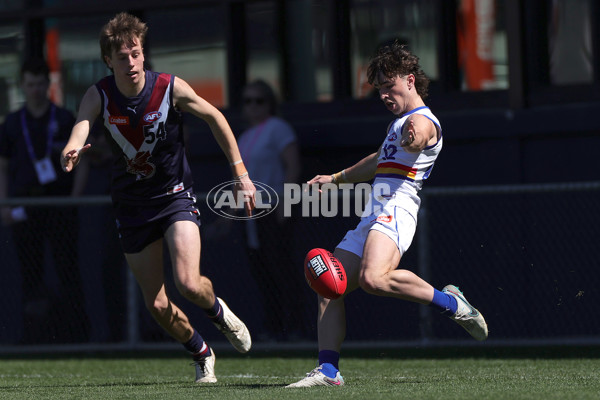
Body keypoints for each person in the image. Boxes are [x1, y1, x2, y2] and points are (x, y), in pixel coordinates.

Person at [60, 12, 256, 383]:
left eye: (135, 53)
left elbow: (216, 117)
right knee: (157, 303)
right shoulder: (99, 94)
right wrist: (71, 148)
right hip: (132, 207)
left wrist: (241, 174)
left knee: (188, 283)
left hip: (174, 197)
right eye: (122, 56)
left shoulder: (169, 87)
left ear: (143, 52)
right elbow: (81, 124)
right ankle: (201, 351)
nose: (131, 62)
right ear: (108, 60)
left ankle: (219, 313)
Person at [286, 42, 488, 388]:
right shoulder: (397, 125)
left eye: (388, 85)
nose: (382, 94)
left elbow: (421, 136)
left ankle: (451, 302)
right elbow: (379, 160)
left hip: (398, 208)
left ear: (410, 80)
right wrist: (335, 178)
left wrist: (414, 140)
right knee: (329, 286)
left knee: (374, 279)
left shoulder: (421, 121)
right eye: (378, 88)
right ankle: (328, 371)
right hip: (374, 211)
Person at [0, 58, 90, 344]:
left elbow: (83, 161)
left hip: (59, 206)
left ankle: (77, 336)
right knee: (30, 273)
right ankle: (34, 337)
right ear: (23, 86)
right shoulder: (13, 123)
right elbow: (2, 166)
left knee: (68, 270)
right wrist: (4, 204)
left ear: (48, 85)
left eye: (41, 84)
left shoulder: (63, 119)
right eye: (30, 84)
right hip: (26, 207)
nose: (36, 90)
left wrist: (74, 200)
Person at [238, 79, 306, 341]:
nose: (253, 107)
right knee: (262, 271)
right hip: (251, 215)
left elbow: (292, 166)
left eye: (259, 101)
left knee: (283, 268)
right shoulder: (244, 137)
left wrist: (286, 204)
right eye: (247, 101)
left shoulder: (278, 128)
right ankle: (274, 328)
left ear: (270, 103)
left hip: (275, 208)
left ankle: (296, 328)